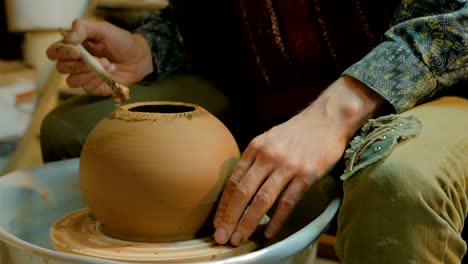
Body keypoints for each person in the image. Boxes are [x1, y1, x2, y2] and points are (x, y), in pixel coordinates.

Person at [43, 0, 468, 262]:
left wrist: (330, 116)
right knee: (78, 131)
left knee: (396, 183)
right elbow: (214, 16)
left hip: (432, 83)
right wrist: (151, 47)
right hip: (275, 83)